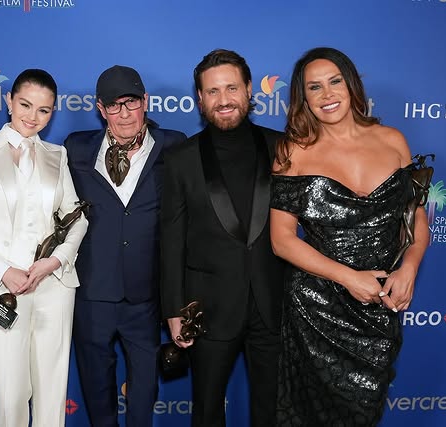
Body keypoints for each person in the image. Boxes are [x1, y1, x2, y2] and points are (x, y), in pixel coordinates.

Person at [270, 47, 430, 426]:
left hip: (378, 306)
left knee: (364, 413)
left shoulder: (393, 140)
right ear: (303, 97)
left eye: (334, 82)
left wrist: (409, 267)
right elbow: (282, 240)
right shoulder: (293, 153)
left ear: (351, 85)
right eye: (314, 87)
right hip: (316, 309)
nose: (327, 94)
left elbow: (416, 220)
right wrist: (348, 278)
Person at [0, 68, 87, 427]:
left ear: (52, 112)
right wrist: (2, 271)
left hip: (54, 287)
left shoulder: (57, 154)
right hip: (2, 289)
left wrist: (56, 261)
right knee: (8, 391)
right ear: (9, 101)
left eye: (44, 110)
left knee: (52, 389)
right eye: (25, 105)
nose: (33, 117)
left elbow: (77, 218)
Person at [160, 49, 285, 427]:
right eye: (212, 91)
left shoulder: (283, 148)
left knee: (274, 411)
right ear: (200, 99)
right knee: (207, 411)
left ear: (249, 89)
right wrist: (174, 310)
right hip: (207, 310)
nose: (224, 99)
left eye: (231, 88)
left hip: (274, 304)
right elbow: (171, 240)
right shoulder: (180, 159)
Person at [64, 65, 186, 426]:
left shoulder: (174, 146)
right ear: (101, 109)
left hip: (145, 294)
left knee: (145, 389)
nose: (125, 114)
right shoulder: (75, 148)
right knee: (96, 387)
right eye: (114, 106)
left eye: (131, 102)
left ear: (145, 102)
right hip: (92, 292)